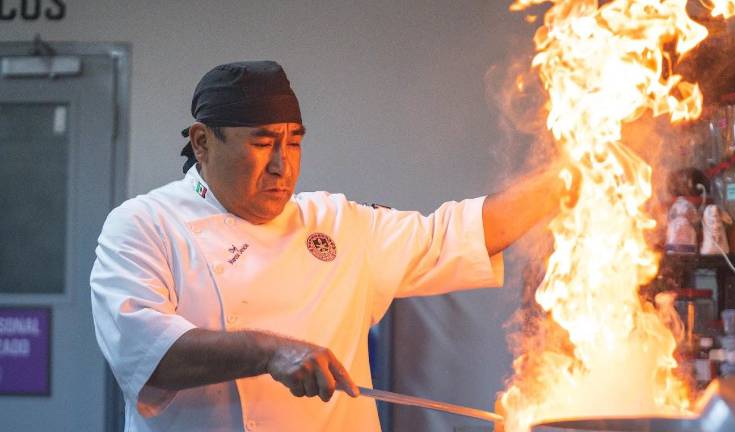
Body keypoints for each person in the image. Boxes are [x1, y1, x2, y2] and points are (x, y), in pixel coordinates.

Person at [90, 61, 570, 432]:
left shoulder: (338, 222)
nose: (283, 166)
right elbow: (148, 353)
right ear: (201, 142)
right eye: (261, 144)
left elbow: (457, 232)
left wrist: (569, 177)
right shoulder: (143, 225)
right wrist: (269, 351)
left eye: (293, 143)